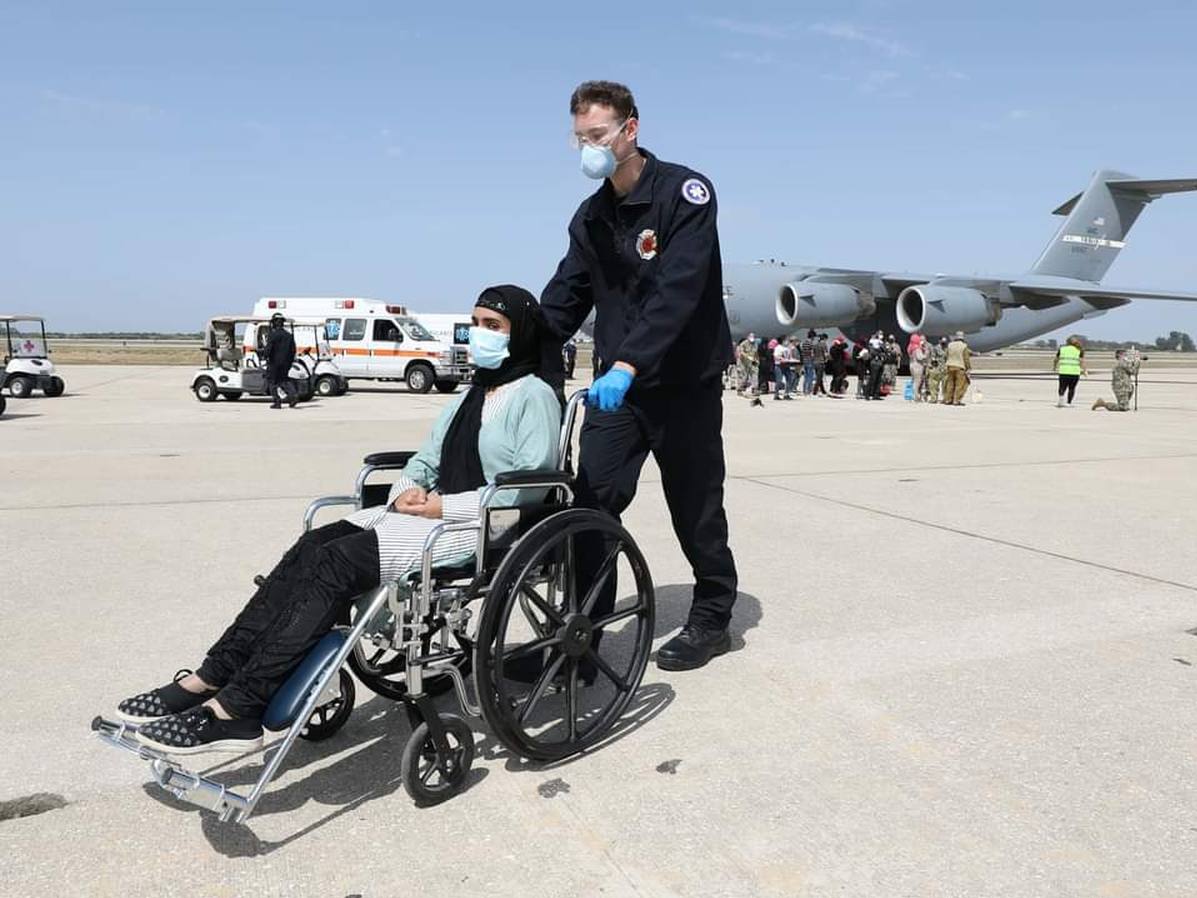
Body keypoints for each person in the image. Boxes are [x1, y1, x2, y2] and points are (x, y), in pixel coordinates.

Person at [113, 286, 561, 754]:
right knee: (313, 546)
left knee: (337, 566)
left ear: (520, 335)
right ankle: (212, 676)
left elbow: (528, 488)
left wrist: (441, 507)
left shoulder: (534, 396)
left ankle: (240, 706)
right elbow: (423, 459)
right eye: (476, 323)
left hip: (480, 527)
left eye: (494, 326)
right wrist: (407, 492)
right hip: (426, 515)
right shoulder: (470, 396)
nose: (479, 334)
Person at [539, 80, 739, 670]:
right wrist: (519, 343)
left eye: (596, 135)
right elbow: (567, 293)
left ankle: (712, 616)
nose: (587, 149)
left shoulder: (685, 193)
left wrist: (629, 361)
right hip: (616, 393)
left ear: (630, 129)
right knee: (591, 507)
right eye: (579, 139)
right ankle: (583, 634)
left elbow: (679, 291)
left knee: (696, 504)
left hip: (681, 384)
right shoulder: (592, 214)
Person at [260, 313, 298, 409]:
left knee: (272, 382)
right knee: (284, 380)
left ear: (274, 323)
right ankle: (293, 395)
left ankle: (277, 402)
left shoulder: (273, 335)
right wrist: (289, 362)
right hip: (286, 363)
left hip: (274, 363)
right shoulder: (289, 336)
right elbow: (293, 350)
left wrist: (264, 356)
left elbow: (268, 350)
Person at [1054, 336, 1087, 407]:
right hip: (1074, 372)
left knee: (1062, 387)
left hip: (1064, 371)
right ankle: (1069, 403)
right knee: (1072, 388)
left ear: (1067, 342)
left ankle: (1061, 401)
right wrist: (1084, 371)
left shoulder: (1062, 349)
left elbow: (1056, 359)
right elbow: (1082, 362)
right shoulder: (1080, 350)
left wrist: (1054, 367)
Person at [944, 331, 972, 405]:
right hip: (960, 367)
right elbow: (966, 358)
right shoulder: (964, 346)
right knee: (959, 384)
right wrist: (969, 367)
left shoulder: (950, 345)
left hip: (950, 366)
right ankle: (956, 400)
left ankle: (948, 399)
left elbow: (946, 355)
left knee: (950, 384)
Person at [908, 334, 929, 402]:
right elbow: (920, 357)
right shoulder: (917, 348)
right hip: (917, 366)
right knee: (917, 382)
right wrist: (926, 353)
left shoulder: (910, 347)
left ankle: (915, 396)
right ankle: (916, 397)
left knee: (914, 381)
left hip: (912, 365)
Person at [927, 337, 948, 403]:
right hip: (937, 368)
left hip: (945, 368)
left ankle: (945, 398)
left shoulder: (947, 349)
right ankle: (934, 398)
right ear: (939, 341)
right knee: (934, 384)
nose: (943, 343)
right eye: (942, 341)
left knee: (945, 385)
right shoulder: (935, 348)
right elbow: (933, 358)